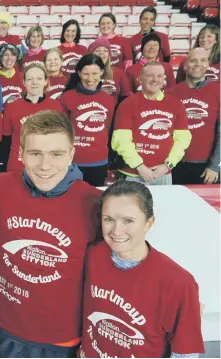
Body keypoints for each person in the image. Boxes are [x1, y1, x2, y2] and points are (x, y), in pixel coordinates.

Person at [0, 110, 100, 358]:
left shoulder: (94, 203)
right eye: (35, 153)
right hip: (7, 329)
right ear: (20, 153)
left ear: (72, 153)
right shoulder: (0, 188)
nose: (45, 165)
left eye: (57, 154)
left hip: (62, 339)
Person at [79, 180, 205, 358]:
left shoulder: (178, 283)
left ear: (148, 223)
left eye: (128, 220)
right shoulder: (92, 255)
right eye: (109, 219)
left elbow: (185, 352)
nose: (117, 230)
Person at [112, 62, 192, 185]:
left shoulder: (176, 104)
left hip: (163, 173)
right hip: (133, 174)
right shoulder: (127, 104)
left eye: (160, 76)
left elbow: (182, 140)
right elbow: (121, 140)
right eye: (150, 75)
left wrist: (167, 166)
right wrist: (139, 166)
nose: (155, 79)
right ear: (140, 79)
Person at [60, 54, 115, 187]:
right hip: (71, 162)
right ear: (79, 73)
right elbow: (60, 130)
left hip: (98, 162)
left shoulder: (108, 100)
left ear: (102, 72)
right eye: (86, 74)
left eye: (95, 73)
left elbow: (107, 129)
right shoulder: (67, 98)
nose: (90, 79)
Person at [168, 48, 220, 185]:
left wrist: (215, 166)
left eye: (203, 60)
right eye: (193, 60)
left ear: (208, 64)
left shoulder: (218, 92)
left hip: (206, 168)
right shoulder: (171, 93)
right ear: (185, 65)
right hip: (173, 164)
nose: (198, 64)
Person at [0, 63, 64, 173]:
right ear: (24, 82)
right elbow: (6, 140)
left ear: (45, 81)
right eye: (30, 79)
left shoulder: (56, 107)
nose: (34, 82)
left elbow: (60, 140)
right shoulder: (12, 107)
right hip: (18, 165)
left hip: (46, 166)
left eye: (39, 78)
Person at [88, 38, 131, 105]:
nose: (101, 53)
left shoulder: (118, 73)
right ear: (91, 54)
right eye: (97, 50)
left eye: (105, 51)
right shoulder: (83, 73)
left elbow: (125, 98)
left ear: (109, 55)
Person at [0, 44, 25, 108]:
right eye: (6, 55)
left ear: (16, 58)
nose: (9, 58)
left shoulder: (23, 76)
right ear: (1, 57)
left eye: (13, 55)